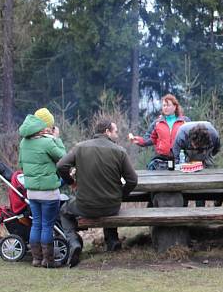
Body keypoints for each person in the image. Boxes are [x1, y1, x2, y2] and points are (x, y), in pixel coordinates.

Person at [57, 118, 138, 267]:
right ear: (107, 132)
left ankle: (74, 242)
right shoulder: (120, 151)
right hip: (111, 206)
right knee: (107, 201)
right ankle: (112, 241)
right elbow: (132, 180)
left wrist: (71, 182)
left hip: (84, 206)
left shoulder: (80, 148)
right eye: (115, 131)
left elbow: (61, 166)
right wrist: (120, 195)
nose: (117, 134)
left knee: (63, 211)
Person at [18, 108, 66, 268]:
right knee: (47, 225)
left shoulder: (24, 142)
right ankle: (48, 261)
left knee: (36, 223)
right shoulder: (47, 142)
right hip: (49, 192)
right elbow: (64, 158)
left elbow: (20, 164)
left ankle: (36, 259)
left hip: (32, 192)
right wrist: (57, 138)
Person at [130, 94, 189, 170]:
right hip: (162, 160)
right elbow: (150, 138)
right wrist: (138, 140)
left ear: (175, 107)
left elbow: (191, 138)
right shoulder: (157, 123)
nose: (165, 108)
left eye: (168, 105)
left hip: (180, 160)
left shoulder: (184, 121)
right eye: (164, 105)